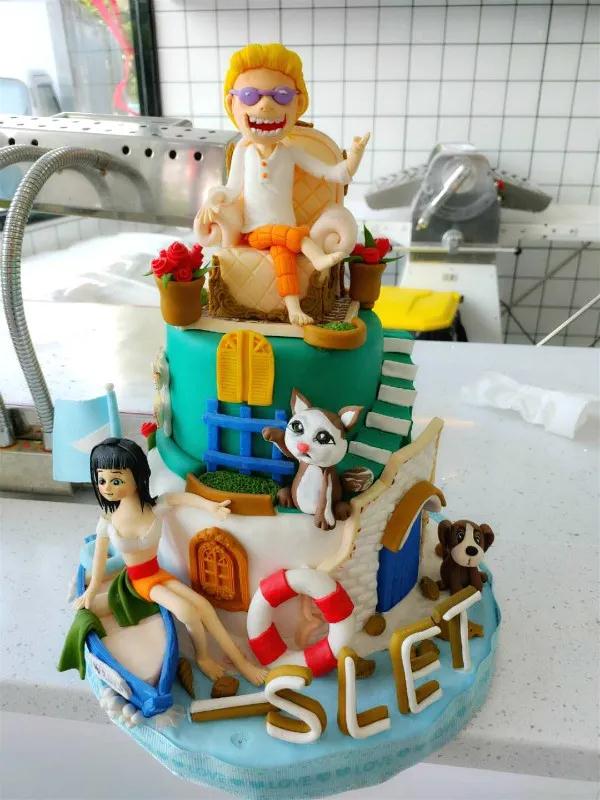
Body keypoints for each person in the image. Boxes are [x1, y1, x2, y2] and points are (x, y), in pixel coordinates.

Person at [197, 42, 369, 326]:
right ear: (231, 103)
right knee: (289, 240)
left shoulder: (290, 152)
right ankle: (316, 257)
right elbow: (232, 189)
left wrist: (355, 157)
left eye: (281, 95)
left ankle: (293, 309)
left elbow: (335, 174)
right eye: (250, 96)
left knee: (283, 259)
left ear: (297, 104)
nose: (265, 105)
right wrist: (213, 197)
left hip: (284, 235)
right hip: (254, 232)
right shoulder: (243, 151)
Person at [77, 437, 266, 686]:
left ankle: (242, 663)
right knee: (187, 611)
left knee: (205, 608)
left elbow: (181, 498)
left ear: (137, 476)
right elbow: (100, 559)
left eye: (116, 480)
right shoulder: (108, 520)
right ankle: (204, 658)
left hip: (158, 573)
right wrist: (91, 590)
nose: (107, 487)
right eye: (102, 480)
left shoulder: (155, 507)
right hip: (138, 582)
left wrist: (211, 507)